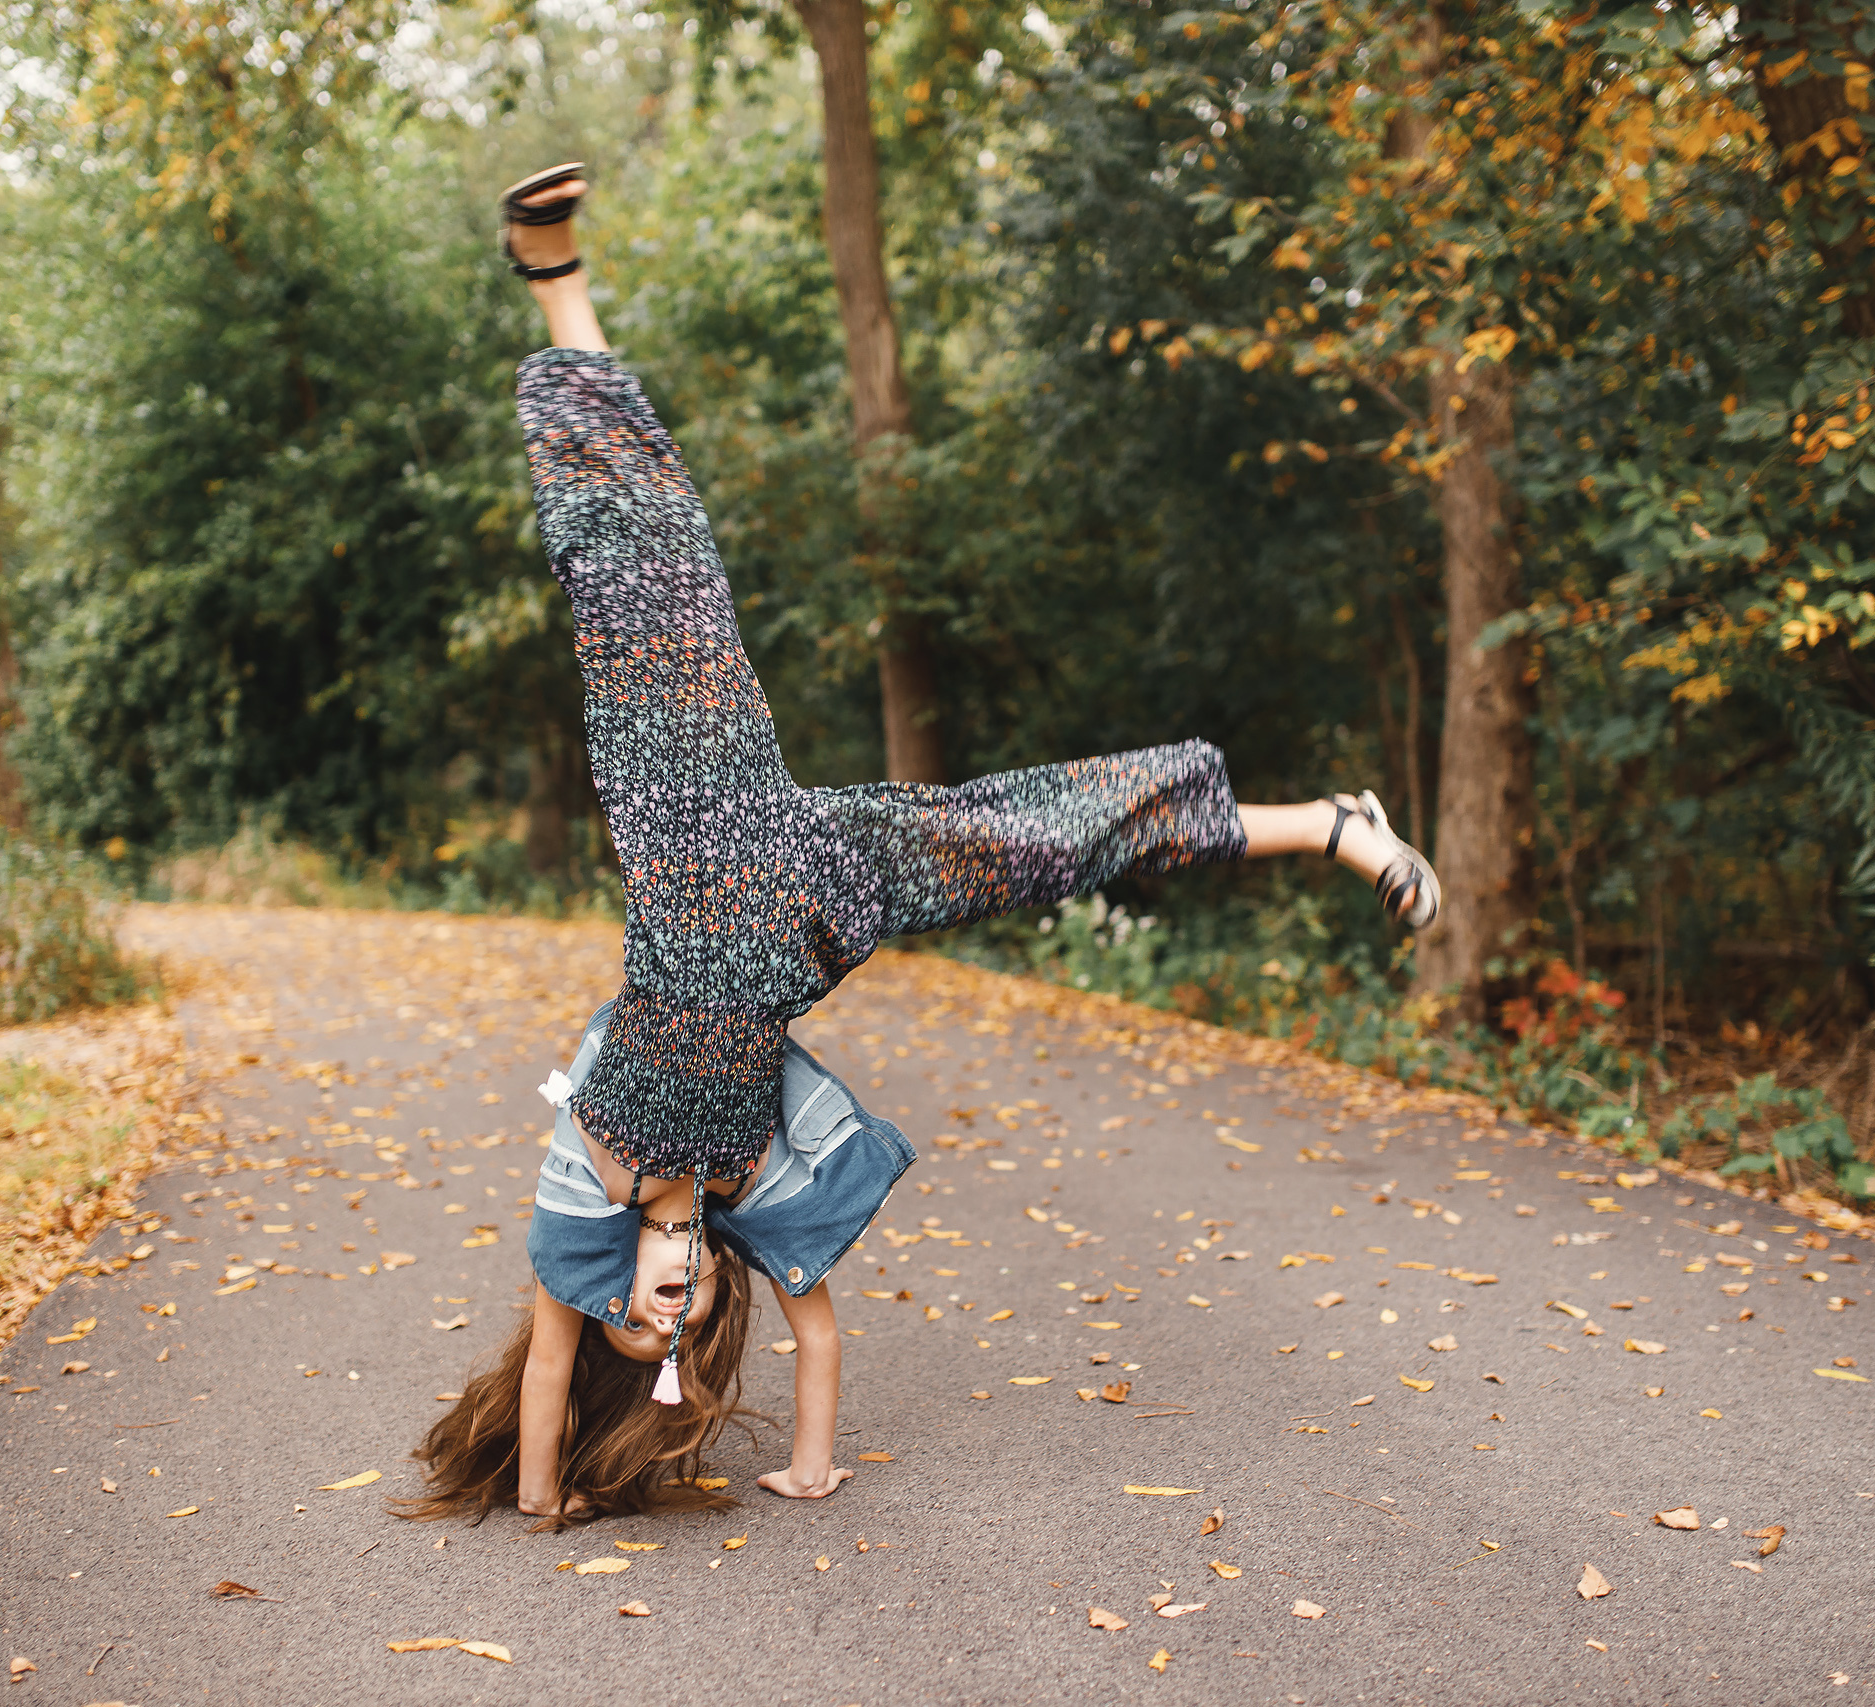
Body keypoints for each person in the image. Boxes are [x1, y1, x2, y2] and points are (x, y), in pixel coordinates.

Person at [403, 165, 1441, 1530]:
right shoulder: (739, 1192)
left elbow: (545, 1368)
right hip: (815, 896)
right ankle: (1327, 824)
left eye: (636, 1335)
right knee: (1033, 839)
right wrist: (811, 1461)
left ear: (603, 1302)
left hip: (691, 830)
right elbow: (819, 1338)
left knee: (644, 560)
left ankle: (557, 284)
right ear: (710, 1290)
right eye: (684, 1330)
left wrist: (542, 1498)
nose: (665, 1318)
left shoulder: (584, 1196)